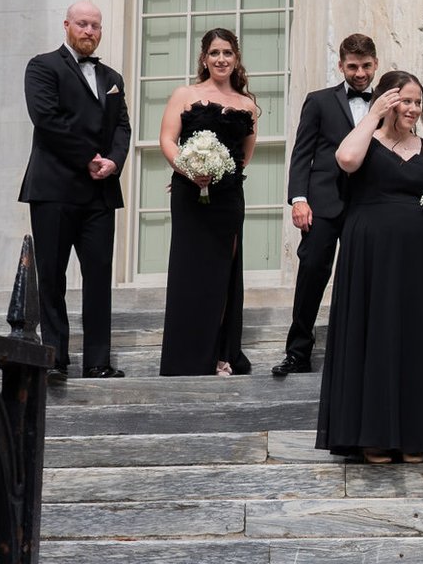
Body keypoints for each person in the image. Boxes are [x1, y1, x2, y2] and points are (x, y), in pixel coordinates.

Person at [315, 71, 423, 463]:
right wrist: (373, 115)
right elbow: (346, 160)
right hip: (371, 254)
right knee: (377, 336)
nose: (413, 109)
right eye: (405, 100)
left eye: (418, 102)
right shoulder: (366, 140)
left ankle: (417, 434)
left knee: (417, 338)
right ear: (386, 101)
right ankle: (374, 435)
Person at [18, 1, 130, 380]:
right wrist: (90, 158)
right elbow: (47, 120)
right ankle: (55, 359)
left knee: (99, 276)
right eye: (82, 24)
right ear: (66, 25)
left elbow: (123, 127)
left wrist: (114, 160)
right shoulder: (42, 66)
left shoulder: (113, 76)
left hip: (100, 192)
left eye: (95, 25)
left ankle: (98, 362)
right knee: (52, 276)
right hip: (54, 189)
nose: (89, 31)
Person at [273, 33, 379, 378]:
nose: (360, 73)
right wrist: (299, 199)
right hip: (322, 204)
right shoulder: (319, 101)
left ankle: (361, 352)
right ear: (341, 66)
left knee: (365, 278)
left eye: (365, 66)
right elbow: (302, 152)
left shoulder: (388, 103)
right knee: (312, 274)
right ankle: (297, 351)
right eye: (353, 66)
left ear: (375, 64)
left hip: (368, 204)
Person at [157, 26, 258, 376]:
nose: (221, 59)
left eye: (227, 53)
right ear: (204, 58)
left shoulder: (247, 105)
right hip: (189, 195)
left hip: (228, 198)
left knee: (223, 274)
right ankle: (186, 357)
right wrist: (189, 170)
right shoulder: (184, 94)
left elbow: (245, 153)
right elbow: (167, 140)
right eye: (214, 53)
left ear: (236, 58)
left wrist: (220, 175)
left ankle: (222, 352)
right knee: (190, 274)